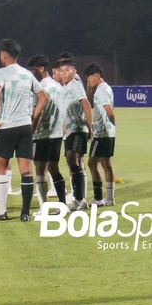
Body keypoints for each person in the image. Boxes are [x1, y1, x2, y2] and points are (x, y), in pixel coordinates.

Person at [0, 39, 48, 222]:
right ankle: (25, 213)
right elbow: (43, 97)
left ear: (4, 55)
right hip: (24, 127)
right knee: (26, 170)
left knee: (1, 168)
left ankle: (2, 212)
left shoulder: (1, 73)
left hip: (6, 126)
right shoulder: (27, 74)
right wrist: (32, 117)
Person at [26, 55, 67, 210]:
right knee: (54, 168)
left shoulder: (40, 87)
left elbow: (39, 112)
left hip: (42, 135)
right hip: (56, 134)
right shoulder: (57, 86)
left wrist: (32, 129)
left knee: (40, 170)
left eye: (33, 69)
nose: (31, 72)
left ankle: (44, 207)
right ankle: (62, 204)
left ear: (41, 68)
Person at [58, 58, 93, 211]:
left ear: (74, 71)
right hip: (70, 131)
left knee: (74, 160)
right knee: (71, 162)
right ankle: (78, 198)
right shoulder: (64, 88)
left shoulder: (75, 85)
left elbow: (85, 103)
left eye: (67, 70)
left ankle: (80, 199)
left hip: (79, 129)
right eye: (62, 71)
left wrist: (90, 126)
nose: (64, 73)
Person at [84, 63, 116, 207]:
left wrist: (111, 121)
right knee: (106, 164)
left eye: (89, 78)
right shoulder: (107, 87)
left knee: (92, 163)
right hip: (108, 132)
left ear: (96, 76)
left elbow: (108, 110)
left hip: (102, 134)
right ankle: (109, 198)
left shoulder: (101, 91)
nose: (88, 81)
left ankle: (98, 198)